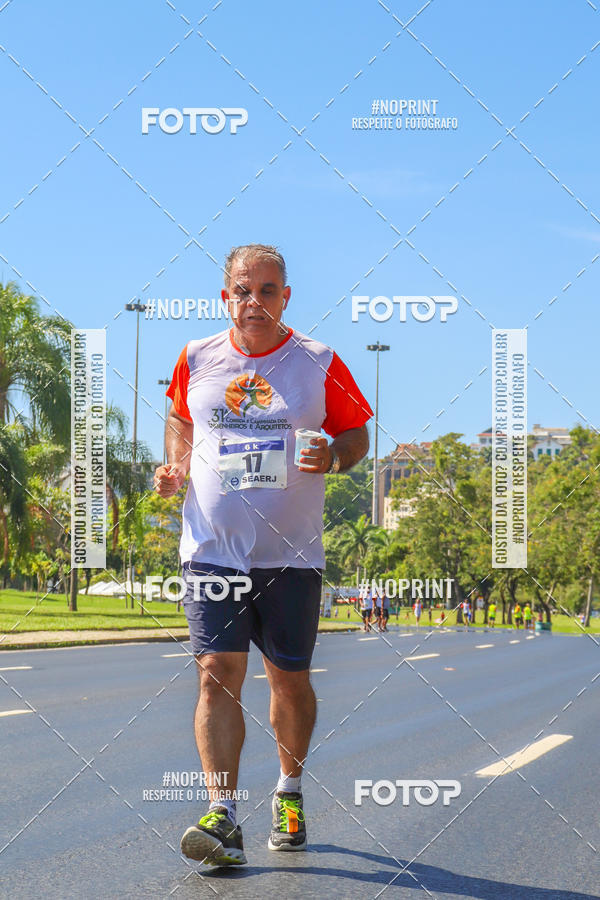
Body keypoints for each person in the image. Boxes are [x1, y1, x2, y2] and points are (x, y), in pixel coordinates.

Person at [154, 244, 372, 866]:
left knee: (288, 680)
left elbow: (356, 433)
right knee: (216, 672)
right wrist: (175, 462)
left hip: (291, 558)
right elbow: (180, 419)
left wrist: (333, 455)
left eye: (268, 291)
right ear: (226, 297)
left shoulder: (318, 361)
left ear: (286, 297)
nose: (255, 302)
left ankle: (289, 791)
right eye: (243, 292)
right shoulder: (197, 357)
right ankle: (222, 816)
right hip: (213, 551)